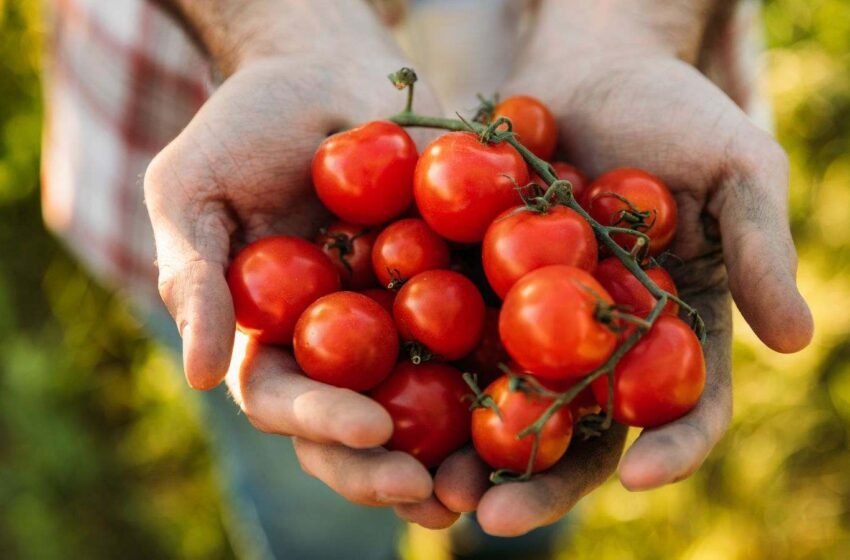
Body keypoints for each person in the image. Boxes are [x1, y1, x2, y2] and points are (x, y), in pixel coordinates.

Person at [42, 0, 814, 558]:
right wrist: (285, 27)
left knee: (524, 502)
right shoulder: (564, 257)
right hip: (196, 91)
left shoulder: (565, 254)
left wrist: (630, 26)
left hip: (600, 65)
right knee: (312, 496)